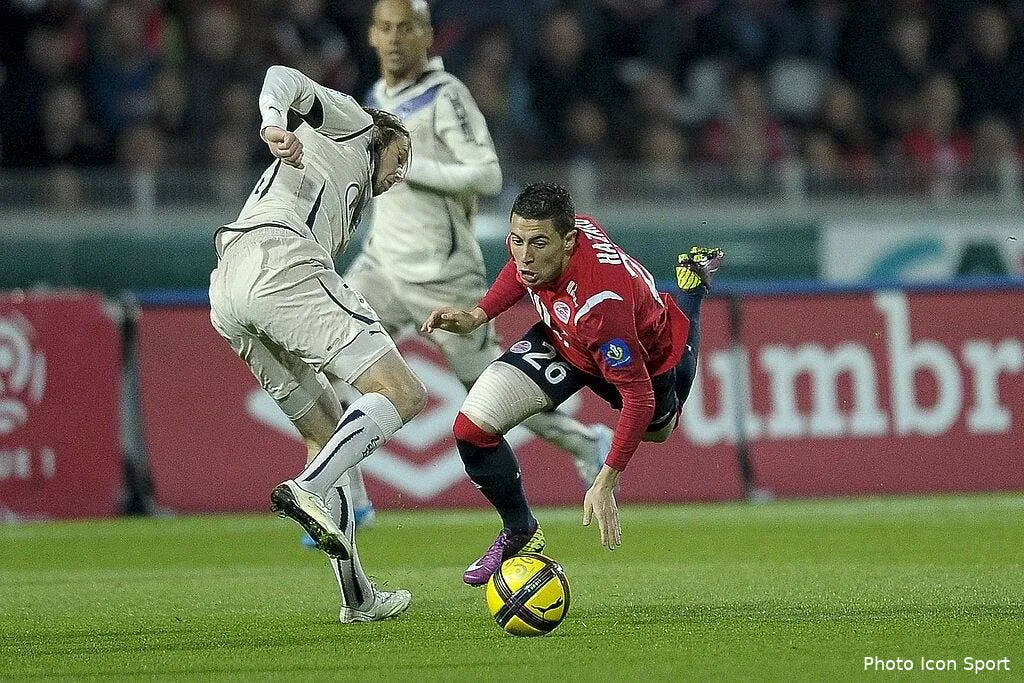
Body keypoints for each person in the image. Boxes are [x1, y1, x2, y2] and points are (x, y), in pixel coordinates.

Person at [339, 0, 614, 524]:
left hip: (443, 277)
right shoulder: (373, 98)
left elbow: (487, 175)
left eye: (407, 28)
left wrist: (411, 169)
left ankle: (583, 441)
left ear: (428, 37)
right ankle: (349, 499)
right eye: (385, 28)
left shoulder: (447, 97)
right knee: (332, 362)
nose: (395, 38)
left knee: (489, 392)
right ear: (372, 36)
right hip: (380, 266)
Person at [208, 64, 425, 622]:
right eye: (401, 156)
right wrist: (272, 124)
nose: (401, 172)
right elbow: (283, 77)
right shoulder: (353, 128)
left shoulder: (347, 198)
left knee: (324, 431)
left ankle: (357, 597)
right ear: (382, 137)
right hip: (278, 259)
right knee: (400, 392)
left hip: (229, 284)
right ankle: (309, 486)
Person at [422, 183, 723, 585]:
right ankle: (520, 530)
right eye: (517, 240)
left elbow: (637, 395)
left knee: (661, 428)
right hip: (562, 340)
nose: (525, 255)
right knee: (471, 429)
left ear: (568, 242)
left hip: (642, 350)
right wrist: (478, 315)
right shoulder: (557, 238)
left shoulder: (603, 306)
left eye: (538, 244)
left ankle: (691, 292)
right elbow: (520, 272)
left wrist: (606, 480)